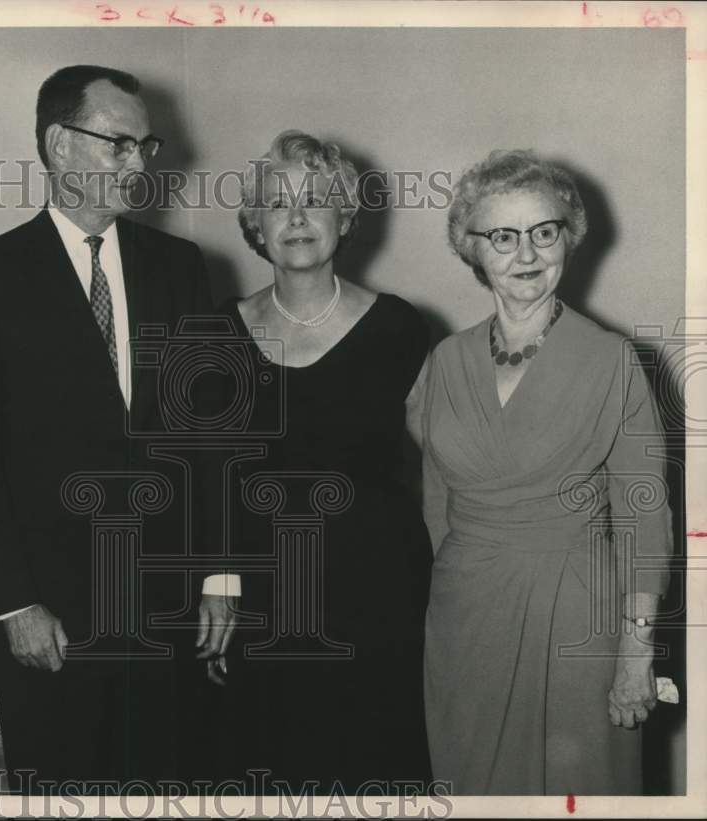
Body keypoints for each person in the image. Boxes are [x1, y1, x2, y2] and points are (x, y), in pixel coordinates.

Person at [0, 65, 236, 789]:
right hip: (50, 614)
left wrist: (221, 574)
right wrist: (12, 601)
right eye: (119, 145)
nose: (138, 165)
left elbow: (209, 439)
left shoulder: (182, 266)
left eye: (146, 146)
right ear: (58, 144)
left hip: (171, 610)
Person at [422, 149, 672, 794]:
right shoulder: (444, 362)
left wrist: (635, 652)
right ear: (472, 249)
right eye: (502, 237)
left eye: (544, 231)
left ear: (568, 237)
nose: (526, 254)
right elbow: (433, 505)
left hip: (577, 619)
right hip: (465, 620)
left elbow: (647, 518)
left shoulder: (614, 361)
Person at [211, 131, 433, 792]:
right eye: (278, 203)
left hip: (379, 596)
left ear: (346, 216)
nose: (298, 217)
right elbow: (204, 479)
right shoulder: (215, 328)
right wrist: (215, 583)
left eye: (317, 200)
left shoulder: (398, 327)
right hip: (261, 602)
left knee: (375, 773)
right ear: (256, 224)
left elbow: (446, 465)